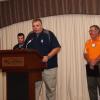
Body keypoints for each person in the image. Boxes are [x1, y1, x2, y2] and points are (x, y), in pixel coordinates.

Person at [24, 18, 61, 100]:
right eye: (33, 26)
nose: (35, 28)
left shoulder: (48, 34)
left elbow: (57, 48)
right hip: (35, 69)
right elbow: (24, 50)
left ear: (41, 25)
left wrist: (48, 56)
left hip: (49, 67)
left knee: (50, 90)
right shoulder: (30, 35)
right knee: (34, 90)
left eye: (37, 25)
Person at [84, 25, 100, 100]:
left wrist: (95, 60)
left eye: (92, 30)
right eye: (90, 31)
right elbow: (85, 53)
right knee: (91, 87)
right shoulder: (88, 42)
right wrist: (90, 61)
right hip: (90, 66)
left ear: (97, 31)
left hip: (99, 65)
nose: (91, 32)